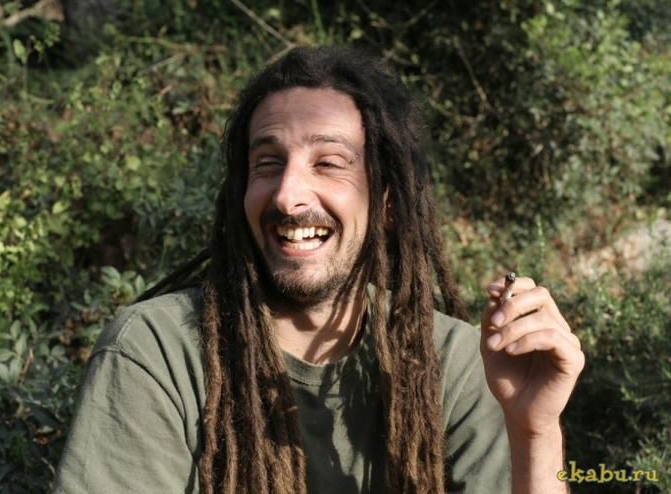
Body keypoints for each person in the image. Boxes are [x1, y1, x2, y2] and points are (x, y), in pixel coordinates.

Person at [54, 45, 584, 494]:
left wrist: (535, 433)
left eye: (328, 163)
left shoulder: (459, 363)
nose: (288, 194)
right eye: (267, 163)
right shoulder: (158, 351)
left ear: (388, 203)